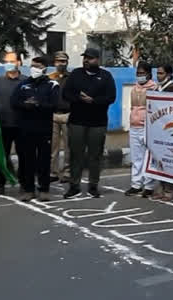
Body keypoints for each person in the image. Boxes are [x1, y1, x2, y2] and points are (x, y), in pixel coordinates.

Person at [63, 48, 117, 199]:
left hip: (97, 123)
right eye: (85, 57)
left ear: (97, 60)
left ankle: (93, 186)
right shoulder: (76, 74)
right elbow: (66, 93)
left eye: (90, 58)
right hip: (77, 121)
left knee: (95, 155)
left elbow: (111, 97)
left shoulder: (105, 76)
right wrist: (79, 99)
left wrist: (93, 101)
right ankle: (74, 186)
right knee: (76, 155)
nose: (86, 60)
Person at [12, 56, 60, 202]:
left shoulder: (52, 84)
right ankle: (28, 190)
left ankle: (44, 189)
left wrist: (37, 104)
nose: (34, 68)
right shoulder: (23, 84)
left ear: (44, 68)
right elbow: (14, 102)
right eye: (32, 65)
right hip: (26, 128)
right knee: (27, 160)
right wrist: (26, 105)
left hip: (44, 128)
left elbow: (55, 105)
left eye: (38, 66)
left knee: (44, 160)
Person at [125, 61, 158, 197]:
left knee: (148, 158)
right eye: (138, 73)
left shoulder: (155, 89)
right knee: (136, 157)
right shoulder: (134, 88)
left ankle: (149, 186)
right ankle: (136, 184)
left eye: (142, 73)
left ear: (149, 74)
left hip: (147, 127)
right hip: (134, 126)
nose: (140, 76)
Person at [151, 64, 173, 201]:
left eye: (161, 73)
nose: (158, 75)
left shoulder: (172, 87)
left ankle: (170, 190)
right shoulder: (157, 87)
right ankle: (162, 187)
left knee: (169, 160)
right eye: (157, 73)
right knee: (159, 159)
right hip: (158, 128)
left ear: (168, 75)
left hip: (169, 128)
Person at [0, 62, 22, 195]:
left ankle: (25, 184)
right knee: (2, 156)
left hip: (22, 125)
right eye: (7, 60)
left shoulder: (26, 80)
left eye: (12, 60)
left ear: (19, 63)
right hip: (3, 125)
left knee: (24, 156)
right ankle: (0, 184)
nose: (9, 63)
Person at [48, 51, 71, 183]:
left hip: (68, 114)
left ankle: (67, 172)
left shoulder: (72, 77)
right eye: (58, 61)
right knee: (53, 147)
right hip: (53, 115)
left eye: (63, 61)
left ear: (67, 63)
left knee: (68, 146)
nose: (61, 64)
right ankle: (53, 172)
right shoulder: (50, 78)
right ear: (54, 62)